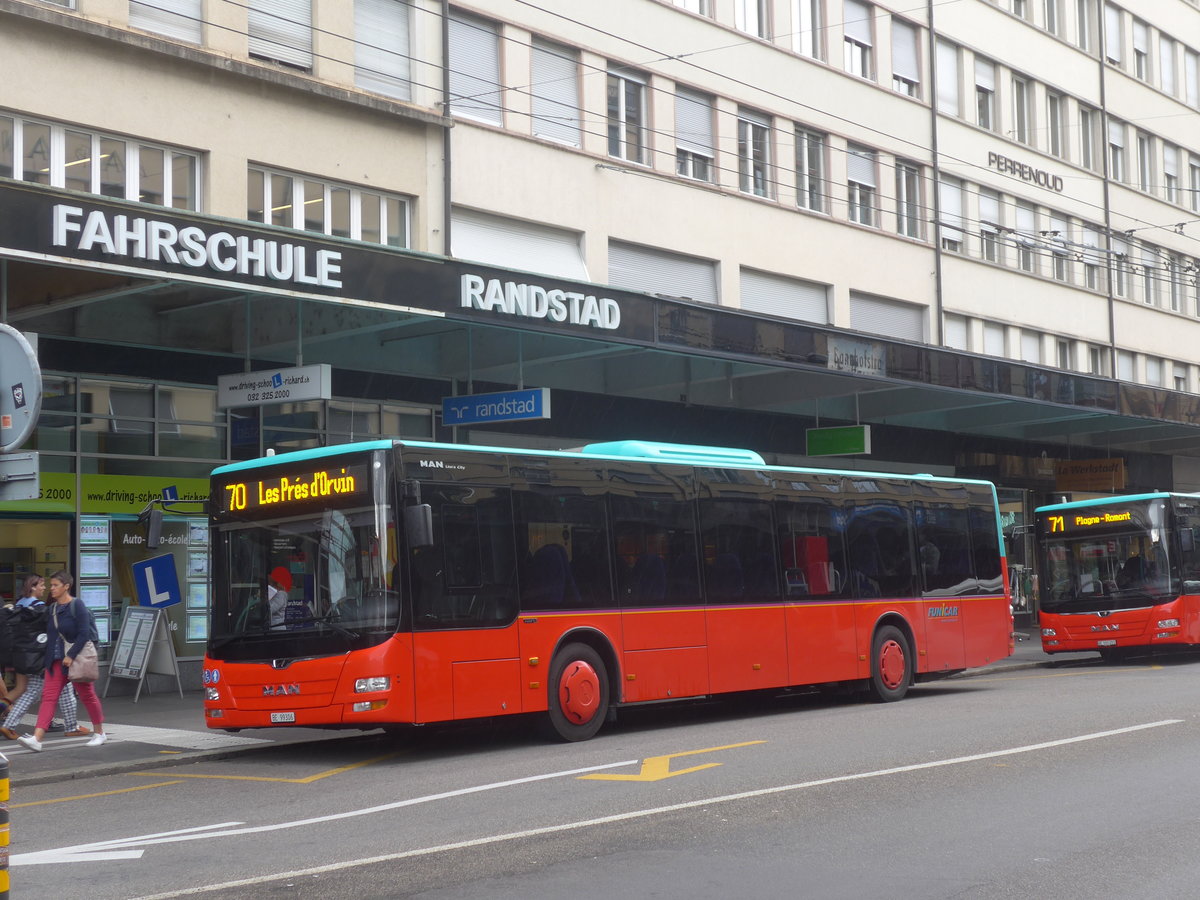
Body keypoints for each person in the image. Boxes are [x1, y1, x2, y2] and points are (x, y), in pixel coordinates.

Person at [17, 571, 106, 752]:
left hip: (73, 659)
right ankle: (37, 738)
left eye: (56, 585)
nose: (52, 589)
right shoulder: (53, 608)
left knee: (87, 695)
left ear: (66, 586)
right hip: (55, 661)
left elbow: (84, 634)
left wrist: (71, 655)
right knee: (48, 698)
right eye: (51, 585)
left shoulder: (77, 605)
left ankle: (99, 733)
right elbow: (49, 636)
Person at [0, 574, 91, 741]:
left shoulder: (19, 604)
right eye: (43, 585)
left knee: (55, 689)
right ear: (33, 587)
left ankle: (71, 725)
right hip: (42, 656)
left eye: (52, 585)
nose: (47, 588)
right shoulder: (41, 608)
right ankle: (9, 725)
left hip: (23, 654)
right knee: (34, 691)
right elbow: (51, 632)